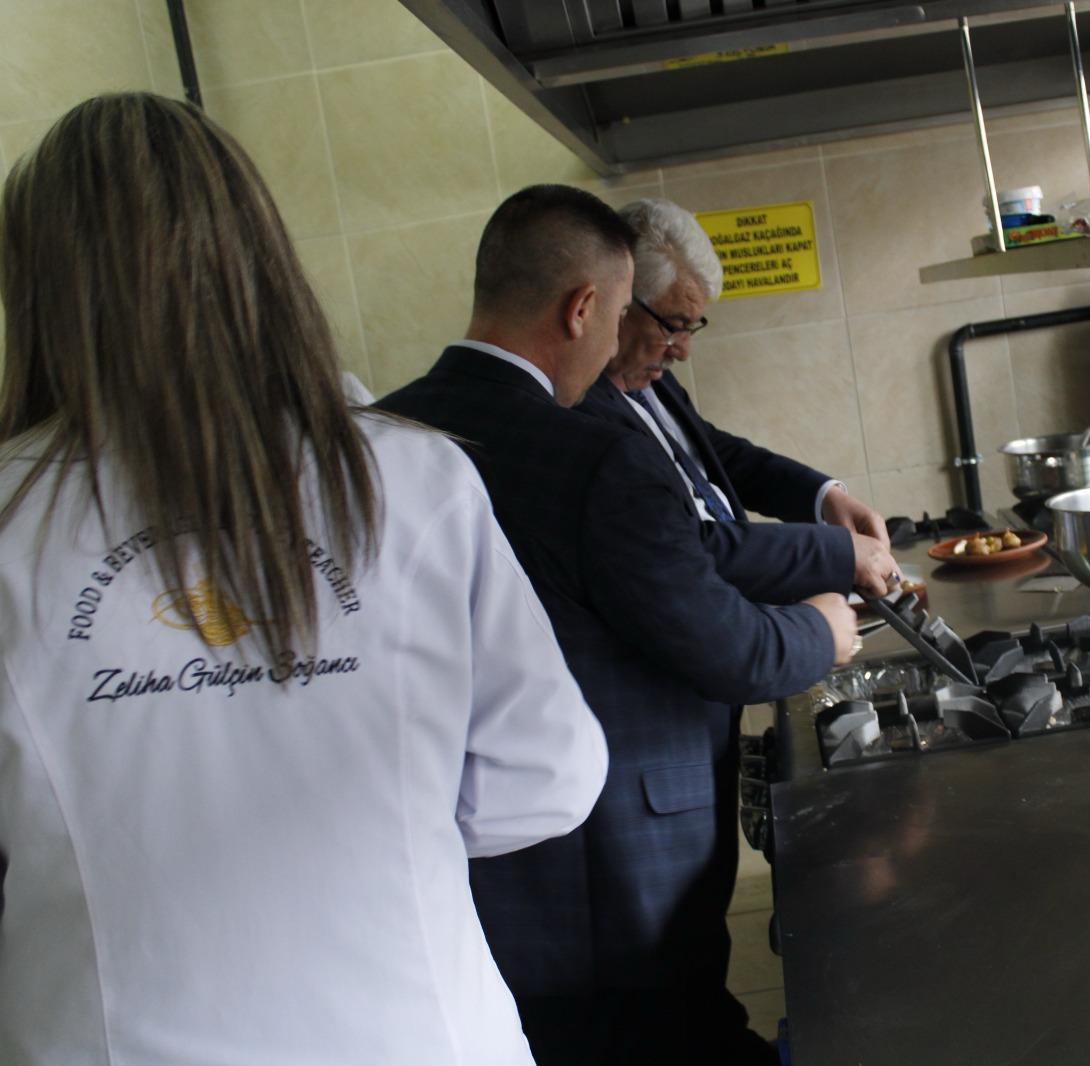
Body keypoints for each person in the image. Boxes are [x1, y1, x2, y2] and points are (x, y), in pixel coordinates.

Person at [0, 94, 608, 1066]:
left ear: (37, 289)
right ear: (257, 260)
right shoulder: (411, 475)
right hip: (416, 1035)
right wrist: (383, 823)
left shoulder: (11, 515)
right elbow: (548, 777)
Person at [375, 185, 857, 1066]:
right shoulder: (595, 454)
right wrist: (824, 630)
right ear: (584, 308)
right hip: (619, 851)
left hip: (462, 838)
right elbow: (727, 648)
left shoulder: (381, 435)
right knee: (670, 1031)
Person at [578, 197, 898, 595]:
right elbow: (685, 544)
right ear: (621, 302)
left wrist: (822, 496)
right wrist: (834, 552)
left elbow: (712, 453)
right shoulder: (581, 410)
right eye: (673, 326)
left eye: (690, 327)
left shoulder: (650, 376)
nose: (683, 350)